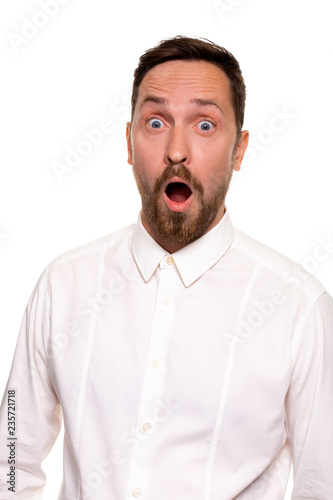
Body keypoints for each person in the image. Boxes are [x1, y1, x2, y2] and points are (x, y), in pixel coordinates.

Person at [0, 35, 332, 500]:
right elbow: (12, 457)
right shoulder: (62, 286)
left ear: (239, 150)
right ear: (130, 143)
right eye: (156, 122)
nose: (177, 150)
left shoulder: (300, 308)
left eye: (204, 125)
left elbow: (324, 482)